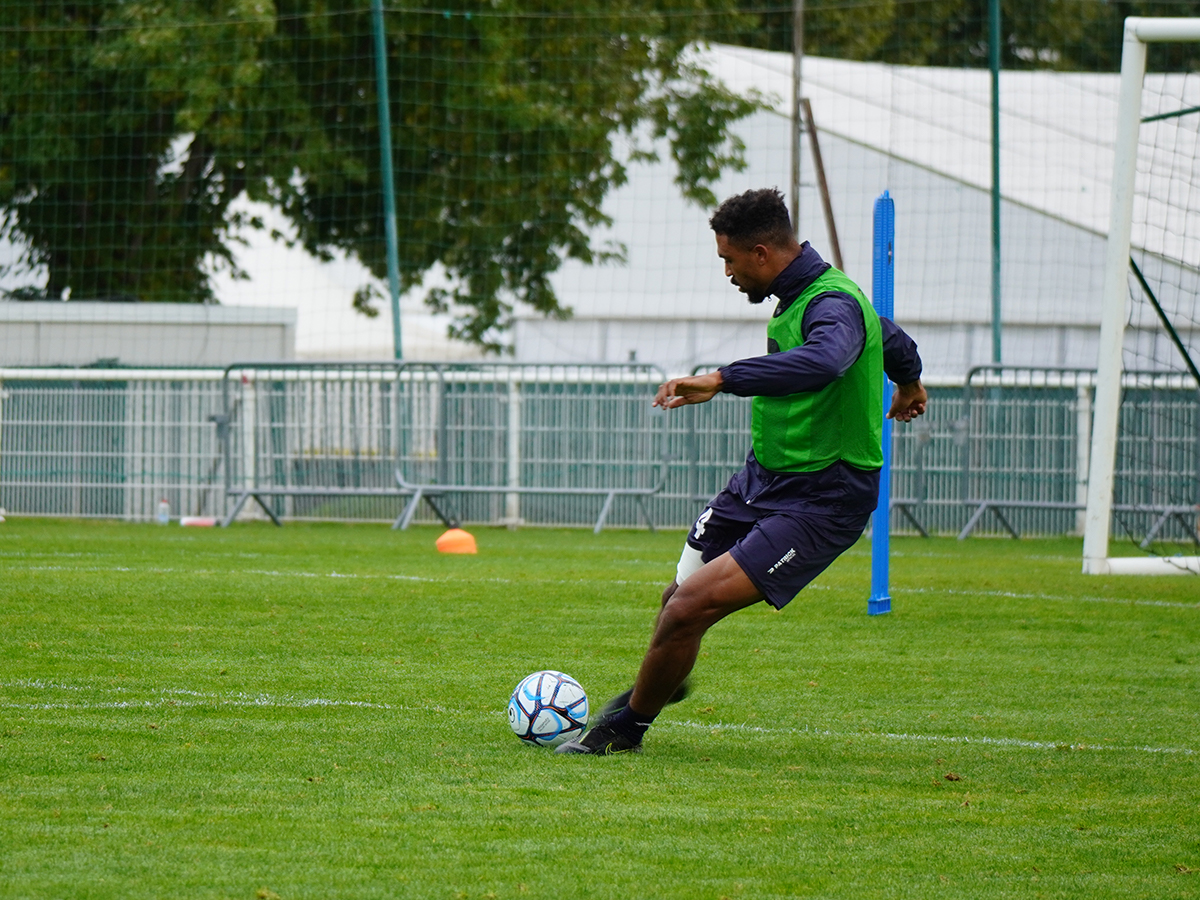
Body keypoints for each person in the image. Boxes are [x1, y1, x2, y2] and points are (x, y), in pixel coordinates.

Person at [557, 187, 927, 755]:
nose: (727, 272)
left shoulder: (833, 303)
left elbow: (828, 360)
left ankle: (624, 730)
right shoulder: (807, 295)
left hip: (824, 498)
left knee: (687, 610)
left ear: (761, 252)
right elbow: (892, 337)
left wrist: (723, 378)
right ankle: (666, 680)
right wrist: (909, 381)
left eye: (729, 260)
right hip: (763, 480)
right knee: (673, 600)